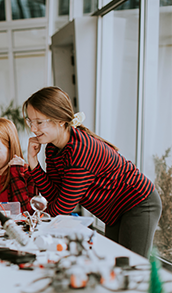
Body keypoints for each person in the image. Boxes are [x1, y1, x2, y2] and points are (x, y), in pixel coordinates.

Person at [23, 86, 161, 257]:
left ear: (59, 120)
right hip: (115, 211)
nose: (33, 129)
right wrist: (34, 162)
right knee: (115, 266)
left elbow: (63, 207)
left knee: (130, 268)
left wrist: (33, 224)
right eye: (30, 121)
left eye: (39, 122)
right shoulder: (52, 148)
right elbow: (55, 195)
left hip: (138, 203)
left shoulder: (80, 150)